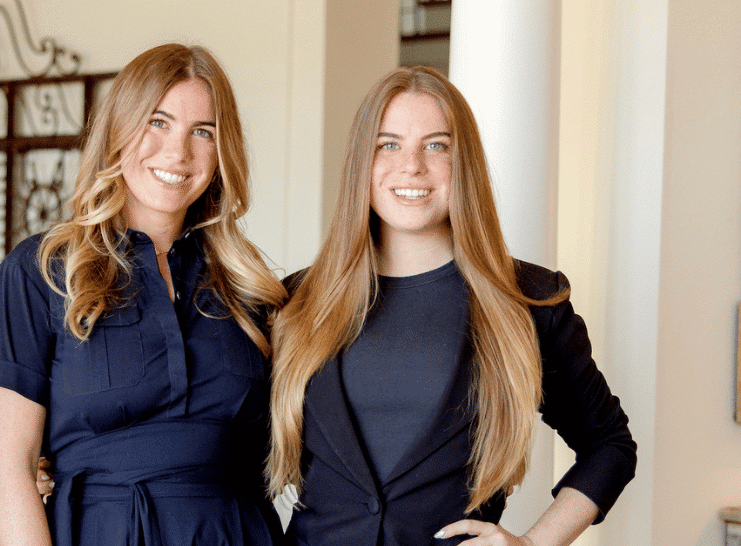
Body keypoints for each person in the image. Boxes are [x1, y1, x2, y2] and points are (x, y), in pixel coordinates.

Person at [265, 66, 637, 546]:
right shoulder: (296, 301)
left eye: (436, 146)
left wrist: (533, 544)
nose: (412, 166)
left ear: (465, 164)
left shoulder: (528, 301)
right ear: (361, 162)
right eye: (388, 144)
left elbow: (609, 445)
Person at [0, 43, 287, 546]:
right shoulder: (39, 272)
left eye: (203, 132)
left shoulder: (250, 287)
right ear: (118, 129)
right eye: (158, 122)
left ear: (223, 151)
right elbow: (9, 472)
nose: (178, 152)